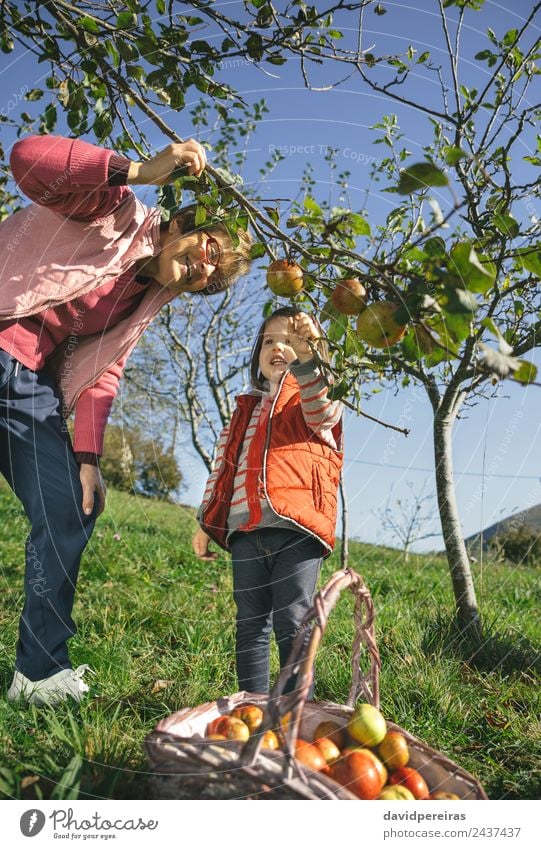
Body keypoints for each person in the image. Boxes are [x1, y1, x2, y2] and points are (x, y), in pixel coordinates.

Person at [1, 133, 252, 706]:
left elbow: (101, 374)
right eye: (211, 245)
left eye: (213, 277)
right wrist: (137, 169)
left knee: (70, 505)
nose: (204, 267)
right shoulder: (111, 207)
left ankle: (38, 674)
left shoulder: (143, 302)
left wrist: (88, 459)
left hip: (25, 389)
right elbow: (26, 159)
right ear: (189, 222)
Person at [193, 306, 343, 695]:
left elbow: (322, 413)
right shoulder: (244, 409)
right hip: (245, 531)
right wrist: (204, 522)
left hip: (297, 529)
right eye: (270, 341)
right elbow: (222, 467)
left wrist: (309, 360)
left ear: (311, 349)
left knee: (292, 621)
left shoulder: (315, 397)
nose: (279, 347)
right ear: (258, 357)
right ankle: (254, 708)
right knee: (250, 624)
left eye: (290, 341)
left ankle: (295, 711)